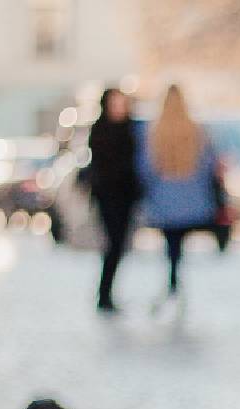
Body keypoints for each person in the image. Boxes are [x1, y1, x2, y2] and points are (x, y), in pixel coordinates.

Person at [138, 85, 222, 309]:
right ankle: (175, 277)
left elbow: (146, 166)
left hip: (165, 196)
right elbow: (208, 163)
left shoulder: (154, 130)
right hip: (189, 196)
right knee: (179, 242)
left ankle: (173, 277)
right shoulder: (196, 130)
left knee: (171, 241)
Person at [87, 88, 141, 311]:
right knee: (113, 245)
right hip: (107, 196)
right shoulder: (100, 129)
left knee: (119, 245)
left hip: (127, 196)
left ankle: (107, 293)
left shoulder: (132, 128)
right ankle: (104, 293)